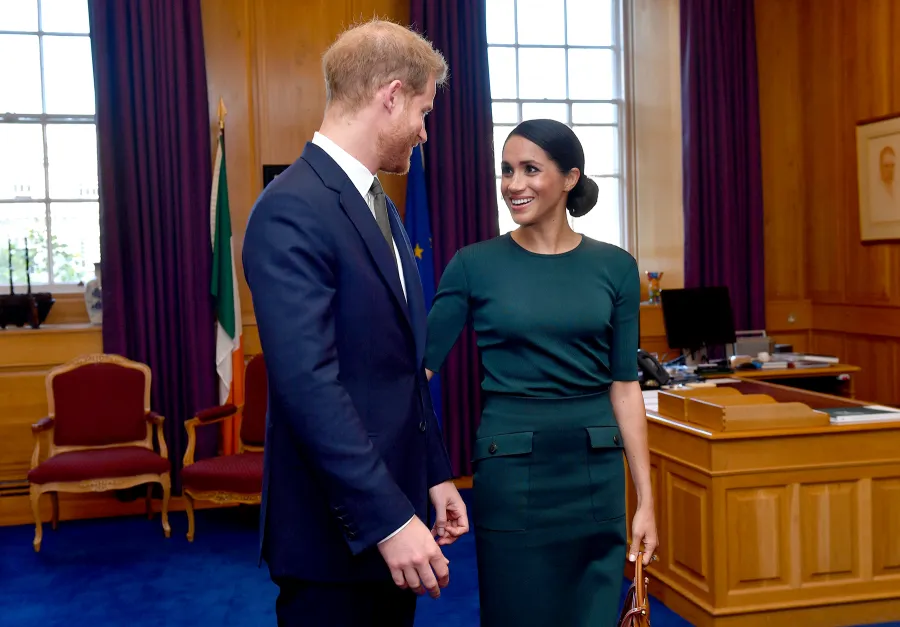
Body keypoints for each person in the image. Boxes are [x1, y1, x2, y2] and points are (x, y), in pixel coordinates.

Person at [242, 19, 469, 627]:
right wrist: (388, 519)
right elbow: (308, 386)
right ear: (390, 96)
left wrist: (434, 476)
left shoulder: (380, 207)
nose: (424, 131)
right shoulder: (292, 208)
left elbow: (397, 368)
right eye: (422, 110)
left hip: (396, 515)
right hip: (334, 537)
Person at [425, 118, 658, 627]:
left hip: (596, 478)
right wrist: (433, 471)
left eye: (530, 169)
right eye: (506, 170)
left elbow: (625, 385)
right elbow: (415, 377)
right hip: (510, 476)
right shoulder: (472, 265)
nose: (513, 184)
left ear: (569, 177)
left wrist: (646, 500)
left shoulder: (616, 266)